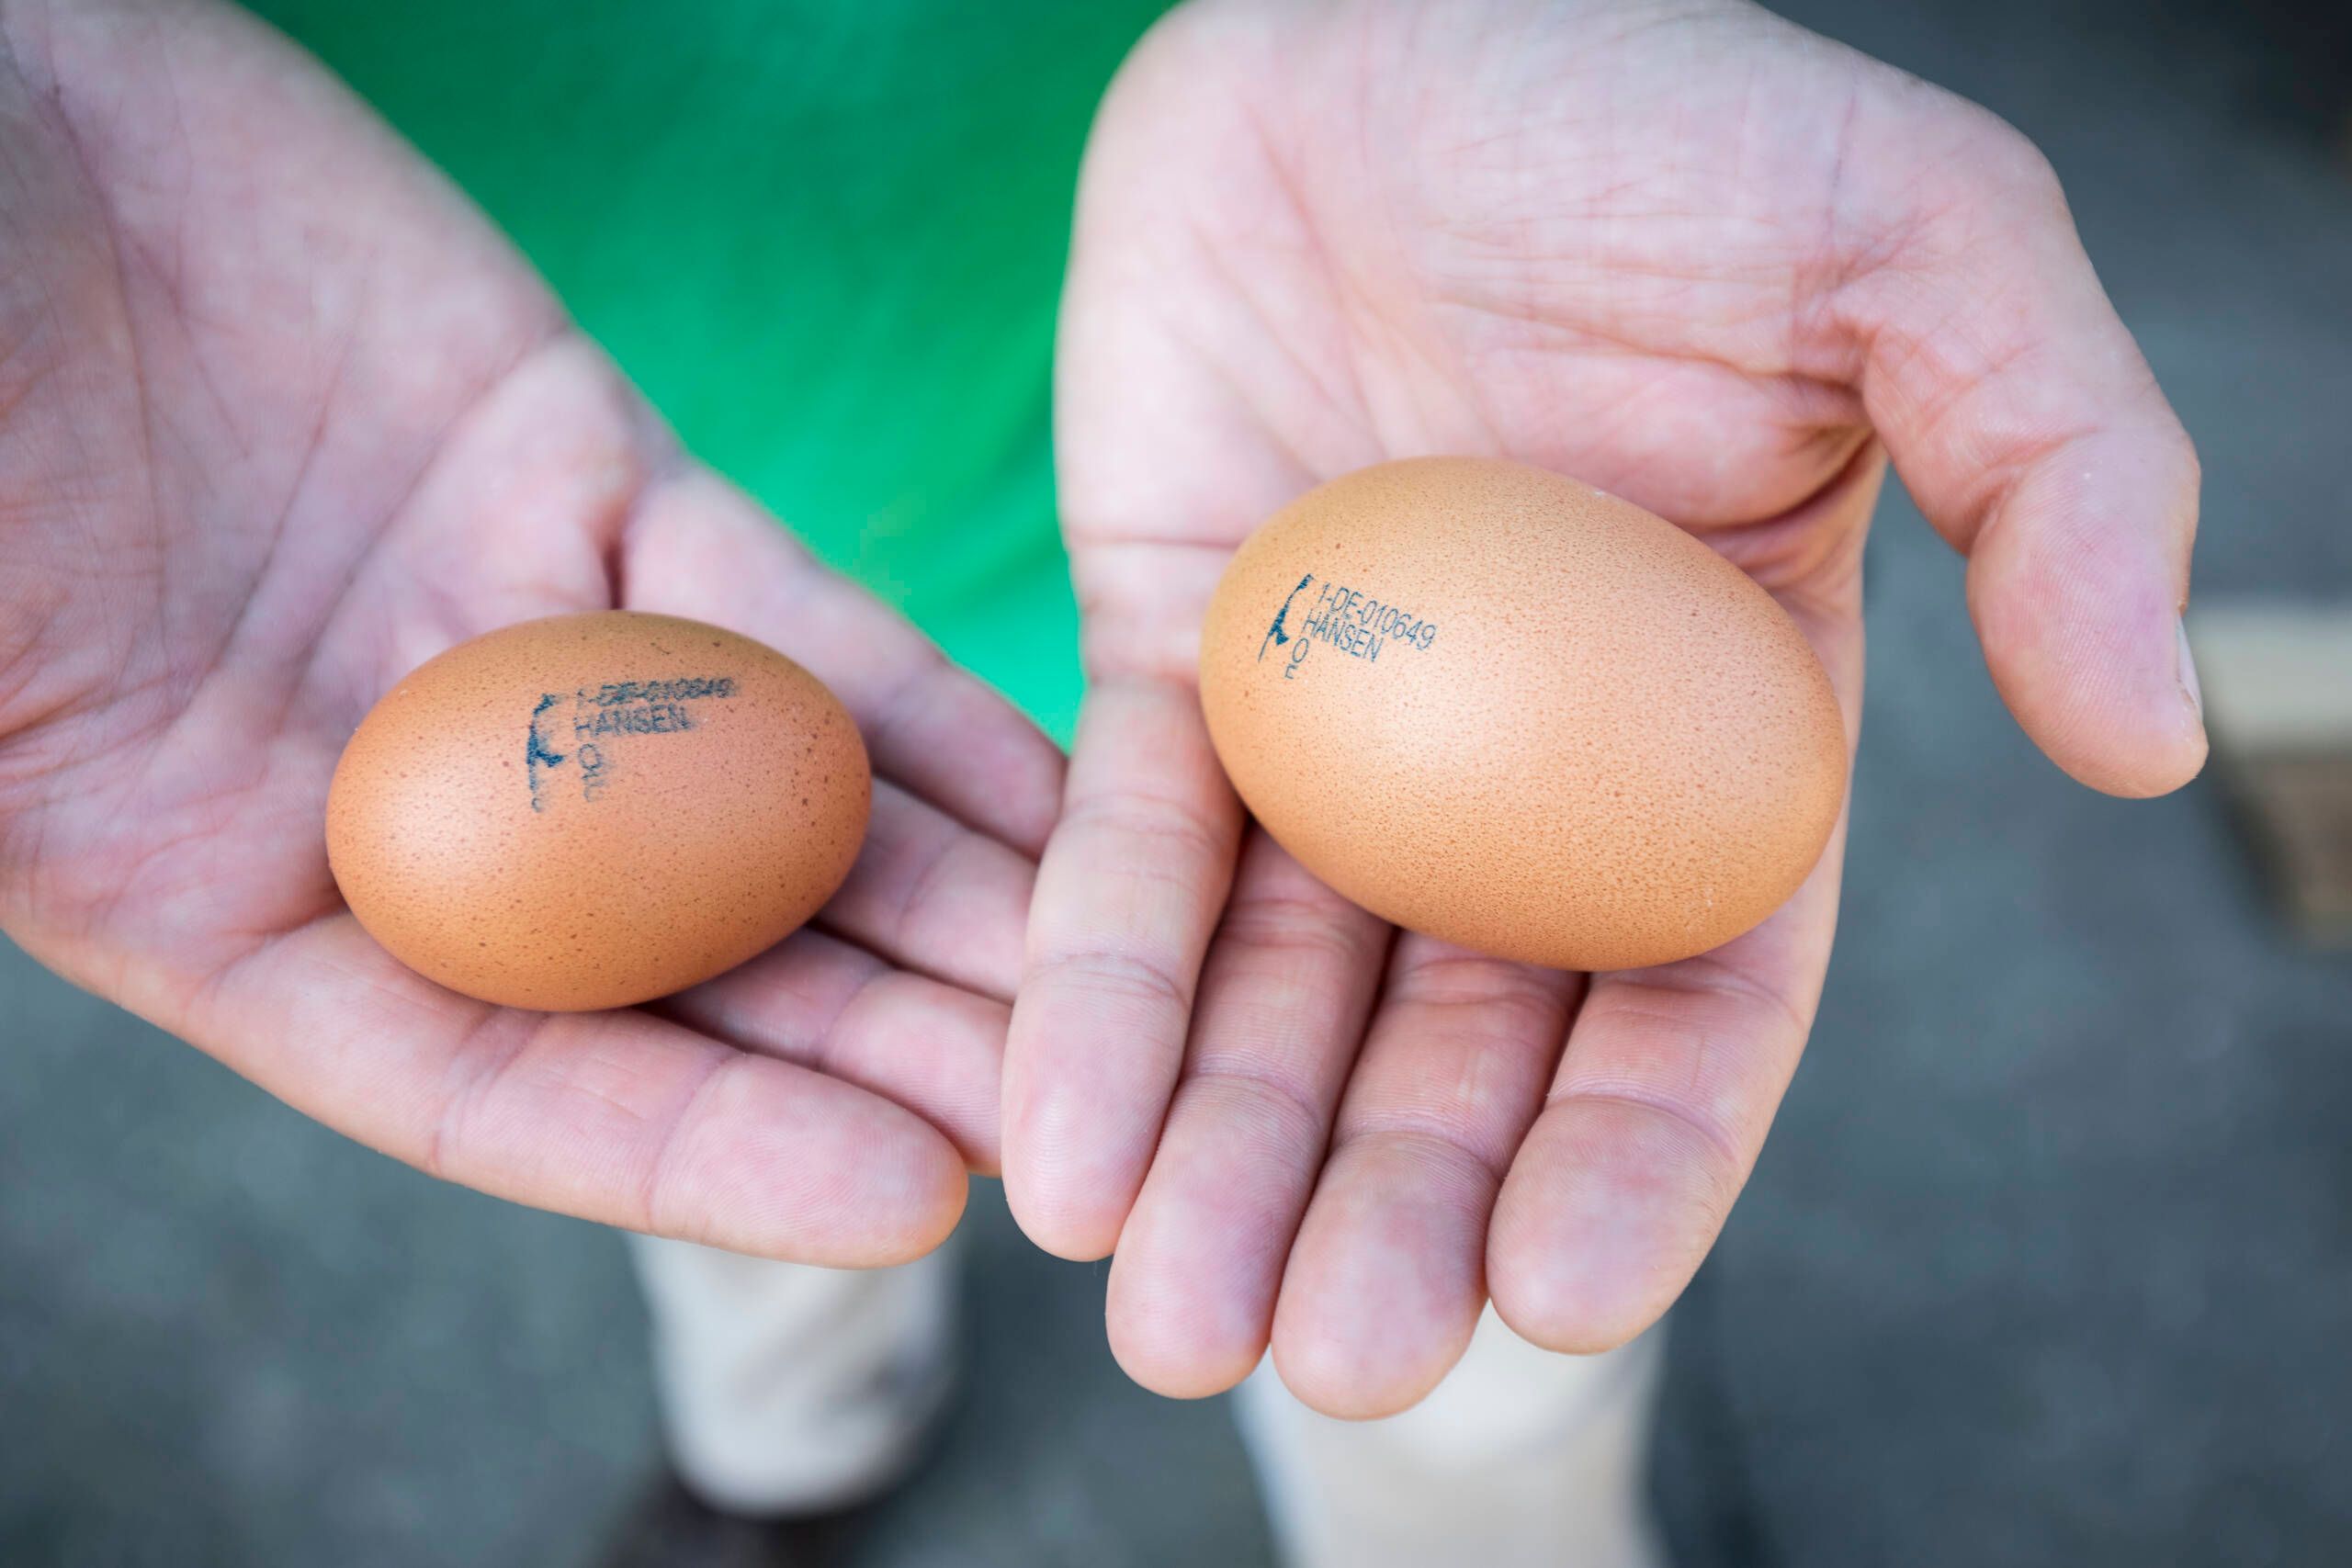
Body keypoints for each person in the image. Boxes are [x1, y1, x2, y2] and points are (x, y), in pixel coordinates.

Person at [0, 0, 2204, 1562]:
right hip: (510, 477)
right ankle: (789, 1456)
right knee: (752, 1126)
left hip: (1274, 367)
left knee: (1443, 1279)